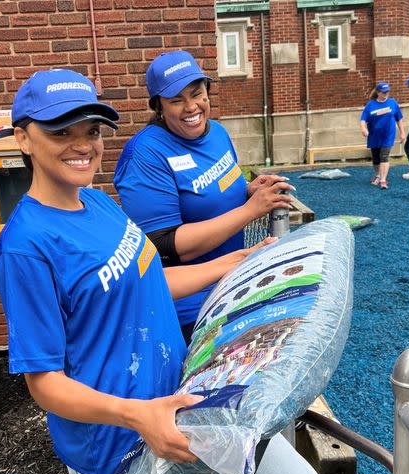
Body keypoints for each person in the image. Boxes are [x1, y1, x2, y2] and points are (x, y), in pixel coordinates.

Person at [0, 69, 318, 474]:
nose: (82, 146)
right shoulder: (25, 247)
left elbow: (146, 284)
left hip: (180, 407)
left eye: (92, 131)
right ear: (23, 138)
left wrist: (239, 262)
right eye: (60, 133)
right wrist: (137, 415)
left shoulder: (98, 203)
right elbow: (44, 383)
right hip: (120, 447)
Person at [114, 50, 293, 345]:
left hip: (231, 290)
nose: (191, 107)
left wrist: (249, 190)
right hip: (188, 313)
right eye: (176, 100)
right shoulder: (146, 154)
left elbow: (213, 195)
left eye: (197, 93)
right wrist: (250, 210)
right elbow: (162, 245)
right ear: (159, 107)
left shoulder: (218, 133)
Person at [360, 81, 405, 189]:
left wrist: (402, 133)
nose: (386, 94)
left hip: (388, 135)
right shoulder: (370, 104)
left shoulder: (393, 103)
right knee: (376, 159)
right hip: (374, 135)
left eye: (387, 92)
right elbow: (363, 118)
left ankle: (383, 180)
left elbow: (399, 118)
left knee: (384, 157)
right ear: (378, 92)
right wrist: (363, 128)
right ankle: (378, 174)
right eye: (383, 92)